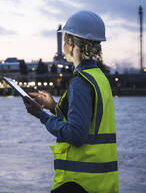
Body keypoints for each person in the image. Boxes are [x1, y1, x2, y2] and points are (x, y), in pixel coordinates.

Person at [23, 10, 119, 193]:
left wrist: (42, 115)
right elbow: (89, 122)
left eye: (66, 38)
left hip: (77, 184)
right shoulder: (99, 77)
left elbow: (76, 134)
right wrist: (53, 106)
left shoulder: (80, 81)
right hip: (102, 183)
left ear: (71, 43)